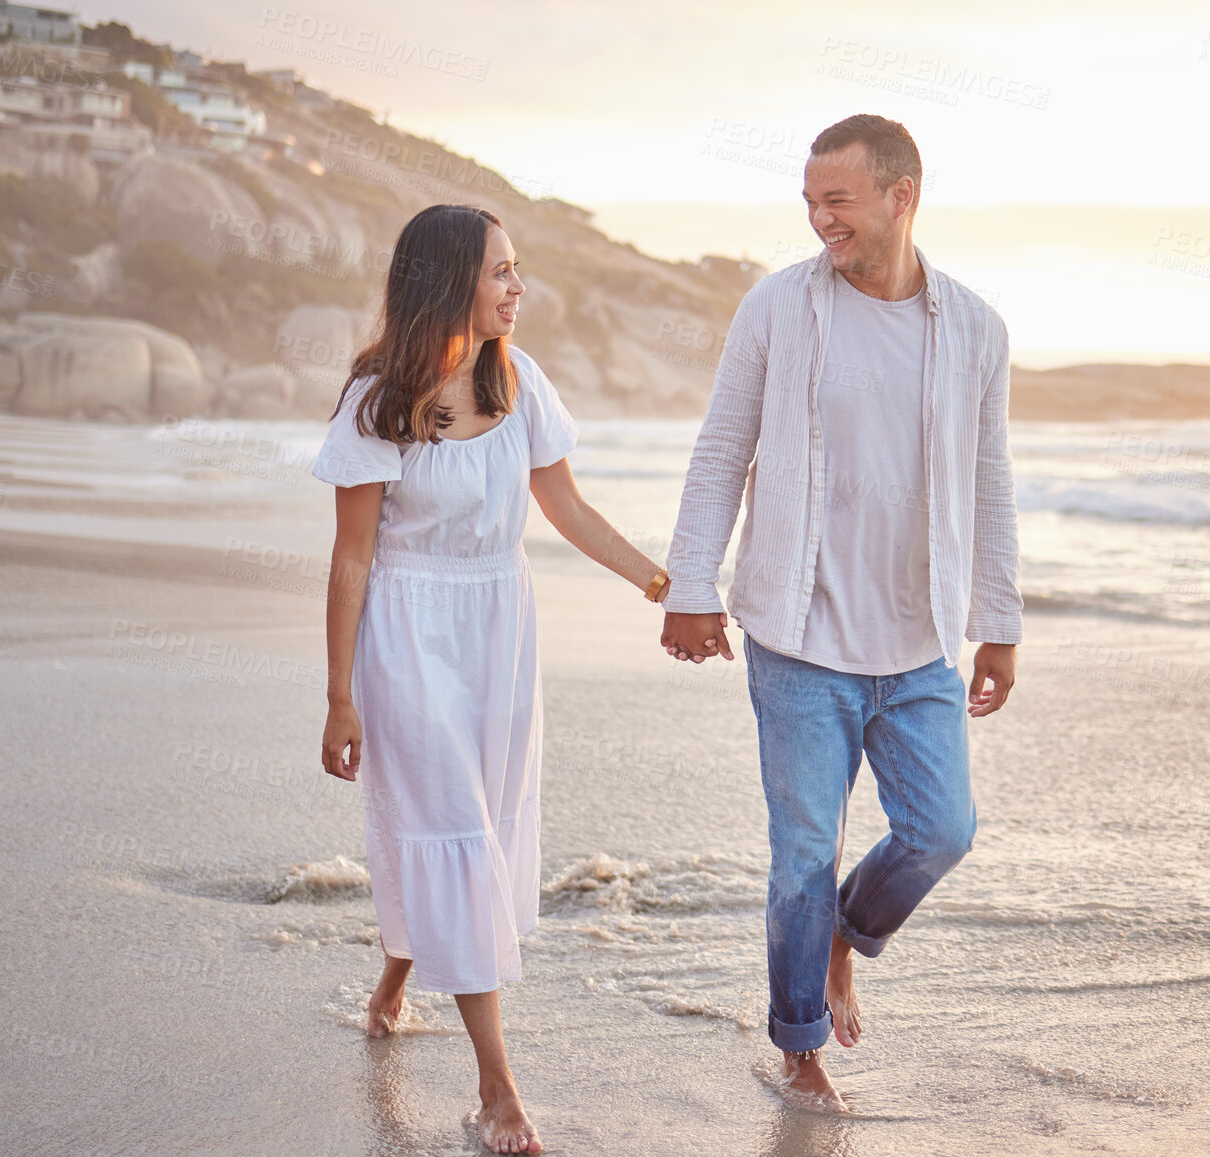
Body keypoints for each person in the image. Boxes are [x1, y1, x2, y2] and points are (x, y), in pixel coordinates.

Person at [661, 114, 1022, 1112]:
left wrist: (999, 618)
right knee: (802, 852)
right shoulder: (778, 308)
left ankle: (841, 937)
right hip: (797, 635)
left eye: (838, 201)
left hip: (919, 643)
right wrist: (691, 585)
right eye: (810, 202)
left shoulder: (977, 330)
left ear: (901, 195)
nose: (820, 220)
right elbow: (720, 450)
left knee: (940, 829)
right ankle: (799, 1045)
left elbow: (987, 480)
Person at [314, 203, 670, 1155]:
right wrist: (340, 693)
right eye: (501, 271)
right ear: (447, 281)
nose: (519, 288)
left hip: (499, 630)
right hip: (407, 633)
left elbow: (569, 508)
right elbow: (351, 561)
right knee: (458, 829)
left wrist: (661, 582)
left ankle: (396, 972)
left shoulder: (518, 382)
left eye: (519, 270)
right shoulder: (377, 402)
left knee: (474, 820)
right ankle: (496, 1089)